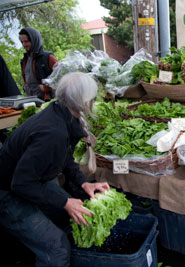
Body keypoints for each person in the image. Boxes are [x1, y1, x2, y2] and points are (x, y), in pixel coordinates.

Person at [0, 72, 109, 266]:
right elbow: (21, 184)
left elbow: (65, 158)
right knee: (57, 248)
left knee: (63, 219)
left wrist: (83, 183)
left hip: (30, 181)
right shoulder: (52, 133)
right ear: (84, 101)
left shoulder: (61, 112)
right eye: (92, 98)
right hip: (7, 192)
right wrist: (65, 201)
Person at [19, 26, 58, 101]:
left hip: (46, 101)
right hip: (30, 100)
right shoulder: (25, 60)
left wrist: (46, 88)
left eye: (26, 41)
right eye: (22, 42)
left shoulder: (48, 57)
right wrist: (25, 86)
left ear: (34, 40)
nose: (24, 44)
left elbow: (61, 77)